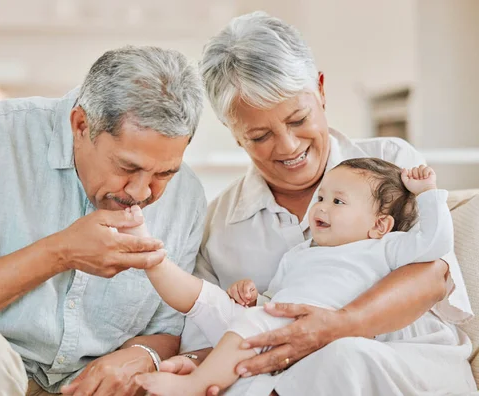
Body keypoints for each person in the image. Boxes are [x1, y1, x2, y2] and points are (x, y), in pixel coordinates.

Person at [167, 11, 476, 396]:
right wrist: (198, 364)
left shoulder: (390, 164)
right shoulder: (219, 226)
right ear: (234, 134)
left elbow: (433, 277)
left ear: (321, 90)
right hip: (281, 379)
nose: (289, 146)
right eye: (260, 135)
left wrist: (337, 326)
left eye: (298, 119)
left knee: (342, 358)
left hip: (403, 362)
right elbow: (213, 330)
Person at [0, 46, 208, 396]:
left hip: (75, 387)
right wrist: (61, 252)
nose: (142, 192)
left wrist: (143, 356)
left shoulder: (187, 199)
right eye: (127, 168)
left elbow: (171, 331)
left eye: (165, 173)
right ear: (81, 125)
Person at [131, 159, 454, 395]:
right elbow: (277, 297)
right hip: (277, 324)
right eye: (322, 197)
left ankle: (196, 385)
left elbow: (434, 244)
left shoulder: (385, 247)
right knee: (209, 300)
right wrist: (253, 297)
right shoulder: (300, 253)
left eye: (338, 201)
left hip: (324, 331)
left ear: (380, 225)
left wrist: (427, 193)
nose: (322, 207)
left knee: (252, 324)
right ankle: (150, 256)